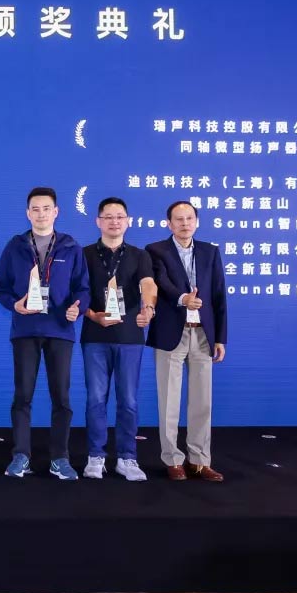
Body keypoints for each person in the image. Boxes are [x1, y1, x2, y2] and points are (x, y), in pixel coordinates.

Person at [0, 187, 90, 480]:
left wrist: (77, 308)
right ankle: (21, 456)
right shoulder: (15, 246)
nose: (41, 214)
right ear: (28, 213)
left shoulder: (71, 247)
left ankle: (59, 458)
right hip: (25, 330)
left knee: (61, 397)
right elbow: (1, 286)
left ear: (56, 212)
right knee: (22, 395)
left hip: (60, 330)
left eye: (46, 208)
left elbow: (83, 288)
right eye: (35, 209)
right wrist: (14, 304)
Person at [146, 201, 227, 482]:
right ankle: (172, 459)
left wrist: (220, 338)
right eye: (178, 219)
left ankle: (199, 461)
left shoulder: (210, 252)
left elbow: (218, 296)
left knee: (202, 401)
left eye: (189, 218)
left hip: (203, 333)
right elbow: (161, 282)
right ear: (169, 224)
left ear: (197, 221)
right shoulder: (156, 250)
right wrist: (183, 299)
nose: (184, 224)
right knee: (169, 401)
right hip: (171, 332)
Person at [80, 198, 157, 482]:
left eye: (120, 216)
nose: (114, 221)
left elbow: (148, 284)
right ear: (98, 221)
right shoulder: (84, 254)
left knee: (128, 400)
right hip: (95, 336)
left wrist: (149, 308)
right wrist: (92, 315)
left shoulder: (140, 255)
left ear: (128, 221)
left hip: (130, 337)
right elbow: (78, 291)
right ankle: (95, 456)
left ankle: (127, 457)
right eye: (108, 217)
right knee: (95, 399)